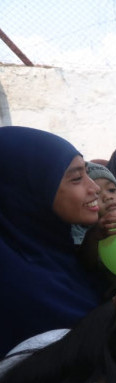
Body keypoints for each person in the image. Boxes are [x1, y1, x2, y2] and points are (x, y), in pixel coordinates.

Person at [0, 126, 104, 357]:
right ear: (26, 190)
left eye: (87, 173)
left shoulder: (56, 252)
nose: (94, 187)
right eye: (77, 178)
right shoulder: (17, 282)